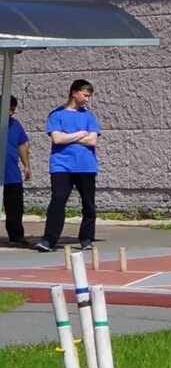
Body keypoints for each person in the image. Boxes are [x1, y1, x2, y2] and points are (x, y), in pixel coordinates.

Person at [42, 80, 101, 252]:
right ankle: (49, 239)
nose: (87, 100)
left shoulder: (89, 116)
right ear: (74, 93)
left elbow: (92, 140)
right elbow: (57, 139)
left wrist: (69, 136)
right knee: (58, 200)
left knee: (88, 203)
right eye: (85, 95)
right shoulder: (56, 115)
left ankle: (86, 238)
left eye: (89, 96)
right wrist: (81, 133)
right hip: (62, 166)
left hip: (85, 166)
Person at [3, 97, 26, 250]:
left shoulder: (15, 124)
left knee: (15, 208)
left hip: (11, 174)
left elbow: (22, 144)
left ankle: (16, 237)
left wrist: (27, 165)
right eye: (8, 109)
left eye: (13, 109)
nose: (11, 112)